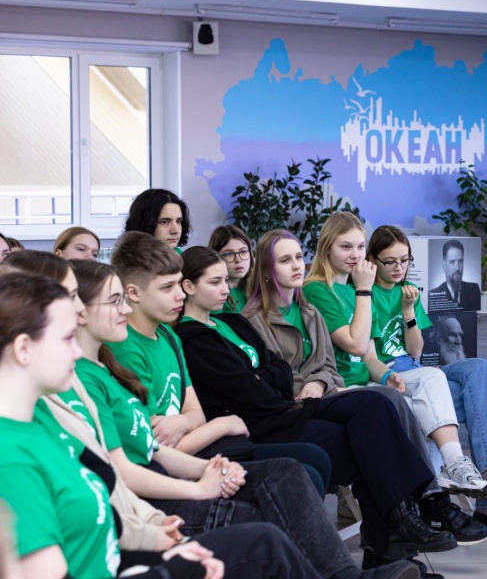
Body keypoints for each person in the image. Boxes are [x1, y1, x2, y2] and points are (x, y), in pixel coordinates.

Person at [64, 258, 421, 579]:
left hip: (212, 448)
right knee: (269, 522)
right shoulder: (94, 376)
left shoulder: (117, 365)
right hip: (155, 494)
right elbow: (130, 466)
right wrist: (203, 475)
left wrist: (209, 467)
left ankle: (382, 543)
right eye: (115, 302)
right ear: (78, 312)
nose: (124, 310)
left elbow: (157, 446)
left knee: (299, 465)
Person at [0, 271, 330, 579]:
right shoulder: (16, 456)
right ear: (24, 349)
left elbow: (119, 486)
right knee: (266, 538)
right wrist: (165, 562)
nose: (74, 351)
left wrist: (158, 535)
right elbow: (117, 484)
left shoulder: (48, 424)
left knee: (282, 495)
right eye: (65, 338)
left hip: (139, 531)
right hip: (138, 533)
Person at [172, 246, 460, 563]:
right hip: (264, 424)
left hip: (288, 407)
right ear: (189, 287)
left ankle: (405, 519)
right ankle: (392, 542)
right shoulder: (190, 337)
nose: (226, 290)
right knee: (363, 442)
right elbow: (249, 393)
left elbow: (280, 369)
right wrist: (269, 379)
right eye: (214, 282)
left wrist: (266, 378)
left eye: (225, 281)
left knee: (374, 403)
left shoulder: (231, 322)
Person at [241, 229, 487, 565]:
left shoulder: (308, 311)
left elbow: (329, 365)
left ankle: (398, 539)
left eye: (298, 257)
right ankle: (421, 508)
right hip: (296, 406)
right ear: (267, 270)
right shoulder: (257, 319)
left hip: (325, 393)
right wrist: (315, 383)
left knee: (387, 407)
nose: (297, 265)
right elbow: (277, 374)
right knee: (380, 405)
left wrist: (326, 381)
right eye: (285, 260)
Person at [302, 214, 487, 497]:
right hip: (341, 385)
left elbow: (371, 356)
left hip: (373, 376)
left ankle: (453, 468)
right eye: (346, 247)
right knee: (410, 401)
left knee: (439, 378)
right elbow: (355, 345)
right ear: (327, 247)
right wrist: (364, 290)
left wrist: (387, 375)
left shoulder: (356, 289)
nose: (355, 255)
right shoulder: (321, 289)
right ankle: (431, 492)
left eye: (359, 246)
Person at [367, 226, 487, 531]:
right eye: (390, 261)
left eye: (405, 260)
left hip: (418, 371)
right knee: (460, 391)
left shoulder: (408, 290)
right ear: (372, 260)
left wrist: (408, 311)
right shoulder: (364, 294)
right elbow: (367, 357)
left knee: (481, 369)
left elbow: (416, 351)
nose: (399, 268)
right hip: (392, 380)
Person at [105, 232, 248, 456]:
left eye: (179, 284)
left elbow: (196, 415)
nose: (181, 295)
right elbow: (154, 448)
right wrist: (224, 425)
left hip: (191, 449)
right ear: (133, 292)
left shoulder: (168, 335)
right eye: (167, 287)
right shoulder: (125, 350)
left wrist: (183, 422)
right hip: (167, 465)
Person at [125, 189, 191, 253]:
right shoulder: (129, 259)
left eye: (178, 221)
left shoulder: (181, 255)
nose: (175, 231)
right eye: (164, 222)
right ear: (144, 224)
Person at [208, 224, 253, 313]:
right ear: (215, 257)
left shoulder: (255, 287)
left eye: (243, 251)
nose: (238, 260)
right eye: (228, 254)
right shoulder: (215, 296)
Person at [427, 239, 480, 311]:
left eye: (460, 261)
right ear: (444, 266)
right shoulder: (433, 294)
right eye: (452, 262)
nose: (457, 268)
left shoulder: (474, 289)